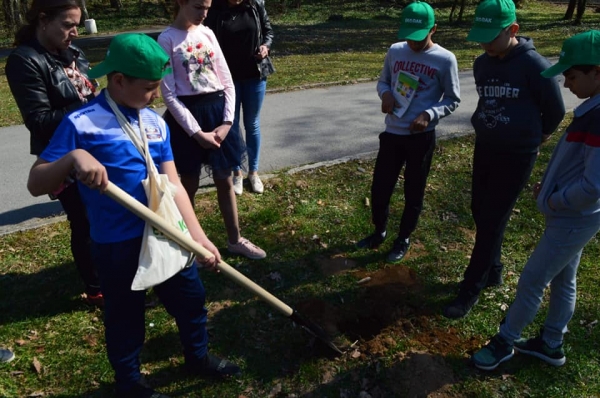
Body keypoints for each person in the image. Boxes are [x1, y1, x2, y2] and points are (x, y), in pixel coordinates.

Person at [27, 33, 241, 398]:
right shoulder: (81, 123)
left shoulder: (155, 124)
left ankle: (198, 356)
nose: (155, 96)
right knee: (125, 316)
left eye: (158, 87)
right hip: (117, 243)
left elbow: (172, 185)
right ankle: (129, 381)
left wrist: (199, 236)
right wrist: (72, 159)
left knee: (191, 300)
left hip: (165, 233)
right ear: (118, 80)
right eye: (148, 88)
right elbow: (36, 182)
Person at [471, 30, 600, 371]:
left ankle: (504, 341)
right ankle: (551, 343)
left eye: (572, 76)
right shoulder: (592, 109)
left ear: (597, 71)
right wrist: (553, 183)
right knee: (563, 278)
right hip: (574, 216)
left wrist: (555, 199)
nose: (567, 84)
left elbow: (593, 185)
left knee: (532, 279)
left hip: (574, 217)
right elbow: (580, 165)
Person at [442, 0, 566, 319]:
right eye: (480, 36)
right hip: (486, 147)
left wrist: (538, 136)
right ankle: (493, 269)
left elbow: (555, 110)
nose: (484, 43)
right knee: (479, 210)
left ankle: (471, 288)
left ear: (512, 30)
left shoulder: (535, 65)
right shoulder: (482, 63)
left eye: (490, 36)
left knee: (492, 220)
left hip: (517, 156)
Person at [5, 0, 103, 307]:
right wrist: (92, 107)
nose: (74, 32)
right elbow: (39, 120)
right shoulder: (25, 60)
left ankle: (111, 273)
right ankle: (97, 287)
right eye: (67, 24)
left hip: (95, 147)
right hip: (61, 154)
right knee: (84, 220)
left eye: (77, 24)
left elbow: (88, 88)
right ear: (43, 20)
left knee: (102, 215)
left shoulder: (74, 53)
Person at [158, 0, 266, 259]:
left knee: (225, 179)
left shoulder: (208, 33)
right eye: (198, 7)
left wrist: (227, 122)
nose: (204, 14)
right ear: (181, 3)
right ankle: (188, 245)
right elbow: (169, 94)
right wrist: (196, 132)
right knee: (188, 183)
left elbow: (226, 80)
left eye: (207, 8)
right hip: (187, 120)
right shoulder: (166, 39)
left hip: (217, 115)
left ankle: (235, 239)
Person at [356, 1, 460, 263]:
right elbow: (383, 81)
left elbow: (453, 99)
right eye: (409, 37)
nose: (412, 44)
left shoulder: (445, 59)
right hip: (392, 135)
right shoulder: (395, 51)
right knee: (380, 189)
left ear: (433, 29)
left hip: (420, 139)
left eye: (419, 37)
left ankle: (403, 238)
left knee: (414, 191)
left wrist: (429, 115)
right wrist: (386, 93)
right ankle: (379, 230)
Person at [205, 0, 274, 195]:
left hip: (255, 75)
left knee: (252, 124)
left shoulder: (255, 5)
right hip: (227, 80)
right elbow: (207, 40)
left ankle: (253, 172)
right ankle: (237, 173)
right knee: (231, 125)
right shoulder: (216, 10)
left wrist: (265, 46)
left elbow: (268, 32)